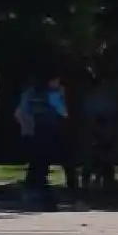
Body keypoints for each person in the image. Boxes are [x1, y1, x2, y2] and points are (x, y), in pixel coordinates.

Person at [14, 73, 81, 210]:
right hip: (52, 132)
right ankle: (72, 194)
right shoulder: (53, 94)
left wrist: (26, 129)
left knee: (39, 165)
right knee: (67, 163)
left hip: (37, 132)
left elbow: (20, 113)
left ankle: (36, 194)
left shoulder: (31, 94)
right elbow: (63, 112)